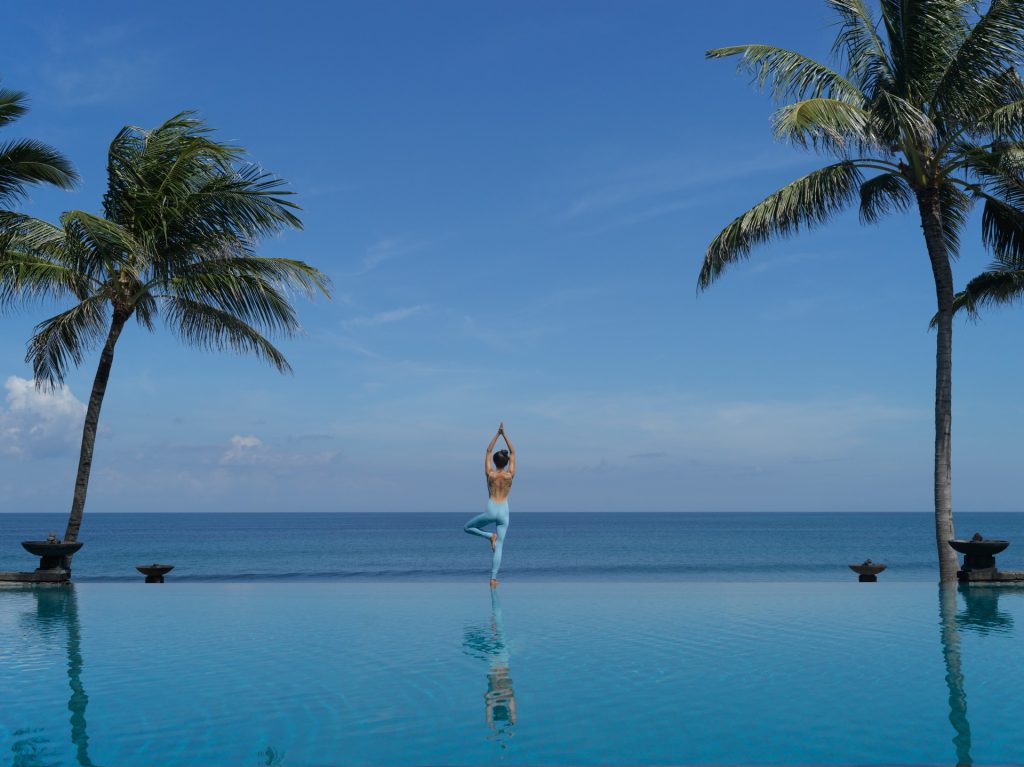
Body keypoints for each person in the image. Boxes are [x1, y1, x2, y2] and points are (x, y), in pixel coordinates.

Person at [464, 422, 515, 587]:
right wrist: (505, 435)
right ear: (506, 462)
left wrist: (497, 434)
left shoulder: (490, 474)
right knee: (499, 546)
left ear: (494, 461)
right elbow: (513, 452)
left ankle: (488, 536)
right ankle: (493, 579)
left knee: (467, 527)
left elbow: (487, 451)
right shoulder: (510, 475)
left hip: (492, 508)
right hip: (505, 511)